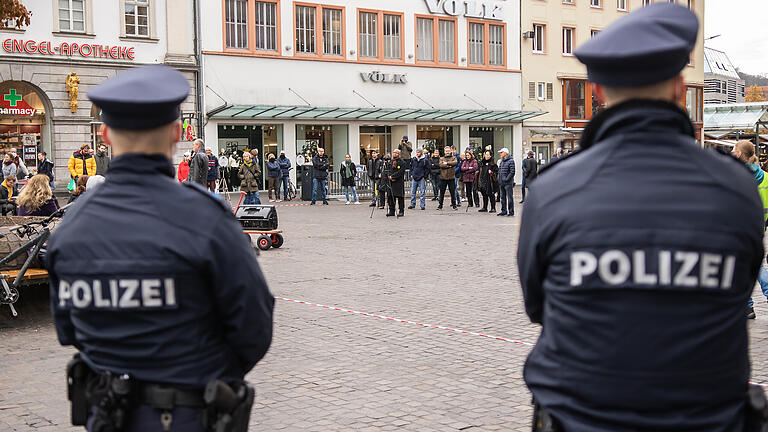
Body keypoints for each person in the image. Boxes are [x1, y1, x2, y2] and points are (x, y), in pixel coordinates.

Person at [519, 4, 768, 431]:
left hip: (582, 418)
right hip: (706, 419)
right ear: (677, 89)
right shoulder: (735, 189)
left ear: (596, 91)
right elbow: (739, 284)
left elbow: (539, 305)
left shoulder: (552, 190)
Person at [48, 65, 274, 432]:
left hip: (107, 415)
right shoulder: (206, 217)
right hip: (184, 414)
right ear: (174, 133)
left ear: (105, 134)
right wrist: (199, 374)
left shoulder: (70, 226)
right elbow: (254, 327)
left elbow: (68, 330)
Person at [731, 140, 768, 319]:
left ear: (739, 154)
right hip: (758, 227)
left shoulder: (735, 176)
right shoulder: (766, 177)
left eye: (733, 149)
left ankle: (748, 306)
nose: (731, 151)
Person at [437, 146, 458, 210]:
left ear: (450, 151)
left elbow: (455, 163)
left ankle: (454, 205)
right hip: (443, 177)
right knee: (442, 193)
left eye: (448, 151)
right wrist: (449, 166)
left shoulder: (454, 157)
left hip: (451, 177)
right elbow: (441, 165)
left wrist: (446, 163)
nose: (447, 152)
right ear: (444, 151)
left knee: (452, 192)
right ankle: (440, 205)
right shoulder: (441, 158)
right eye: (446, 151)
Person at [386, 149, 405, 217]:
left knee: (400, 197)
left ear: (398, 154)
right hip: (391, 182)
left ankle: (401, 211)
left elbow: (401, 172)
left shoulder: (402, 162)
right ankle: (391, 211)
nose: (394, 154)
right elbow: (388, 170)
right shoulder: (390, 162)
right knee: (391, 197)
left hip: (398, 182)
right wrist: (389, 176)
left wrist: (393, 177)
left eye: (396, 153)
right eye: (393, 152)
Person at [497, 148, 515, 217]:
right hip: (501, 182)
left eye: (501, 153)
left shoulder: (511, 161)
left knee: (509, 197)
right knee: (502, 197)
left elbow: (512, 172)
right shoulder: (502, 161)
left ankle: (511, 212)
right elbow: (500, 171)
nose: (500, 154)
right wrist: (499, 179)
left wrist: (506, 179)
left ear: (505, 153)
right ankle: (503, 211)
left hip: (508, 183)